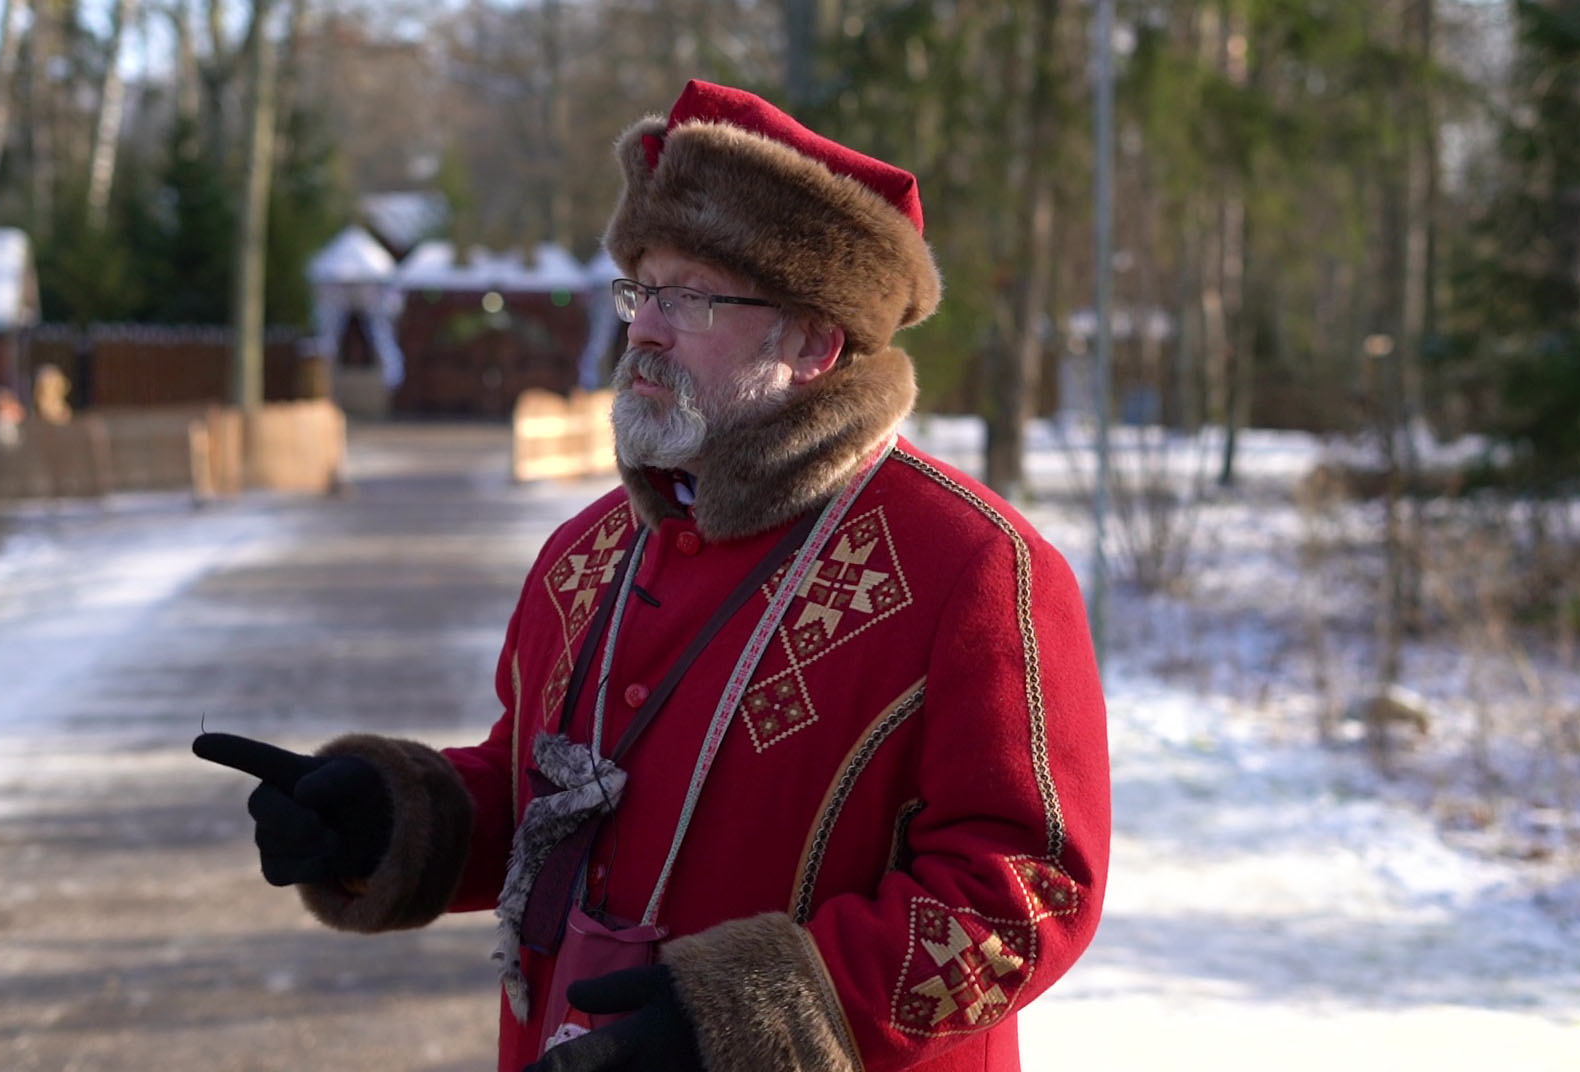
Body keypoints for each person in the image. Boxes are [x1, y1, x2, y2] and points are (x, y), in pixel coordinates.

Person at [194, 79, 1110, 1072]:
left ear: (811, 339)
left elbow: (1026, 889)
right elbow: (545, 797)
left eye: (690, 296)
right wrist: (392, 820)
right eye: (640, 288)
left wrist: (749, 1018)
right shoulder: (584, 555)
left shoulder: (975, 567)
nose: (644, 327)